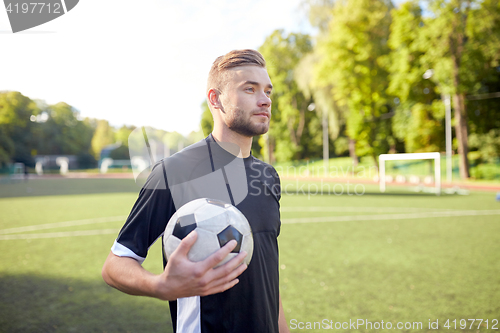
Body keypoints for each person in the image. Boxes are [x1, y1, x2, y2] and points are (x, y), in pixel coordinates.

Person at [102, 49, 289, 333]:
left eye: (267, 91)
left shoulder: (268, 175)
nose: (265, 100)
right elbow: (115, 265)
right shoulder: (173, 172)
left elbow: (266, 271)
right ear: (216, 99)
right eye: (249, 89)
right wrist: (160, 286)